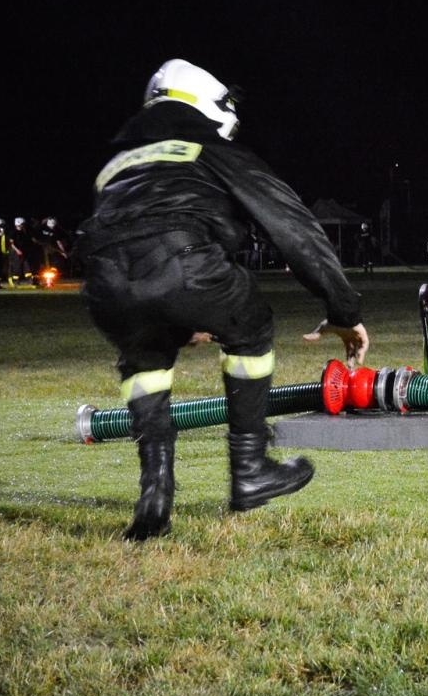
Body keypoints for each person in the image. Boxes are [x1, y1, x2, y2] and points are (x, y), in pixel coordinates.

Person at [77, 59, 369, 541]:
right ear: (208, 104)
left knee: (144, 358)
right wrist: (343, 310)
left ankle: (154, 493)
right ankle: (250, 469)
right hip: (185, 262)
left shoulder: (116, 165)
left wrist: (176, 314)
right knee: (252, 325)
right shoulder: (211, 148)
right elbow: (294, 229)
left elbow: (127, 243)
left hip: (104, 285)